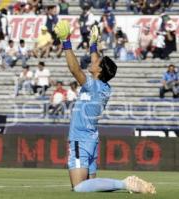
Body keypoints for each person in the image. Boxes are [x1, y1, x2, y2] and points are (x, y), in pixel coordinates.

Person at [54, 20, 156, 193]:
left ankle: (126, 184)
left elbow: (74, 69)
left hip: (81, 139)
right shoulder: (103, 86)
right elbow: (95, 62)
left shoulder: (93, 86)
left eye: (96, 62)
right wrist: (93, 44)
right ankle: (125, 184)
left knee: (79, 188)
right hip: (91, 138)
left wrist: (66, 41)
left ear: (99, 71)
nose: (92, 61)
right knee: (90, 190)